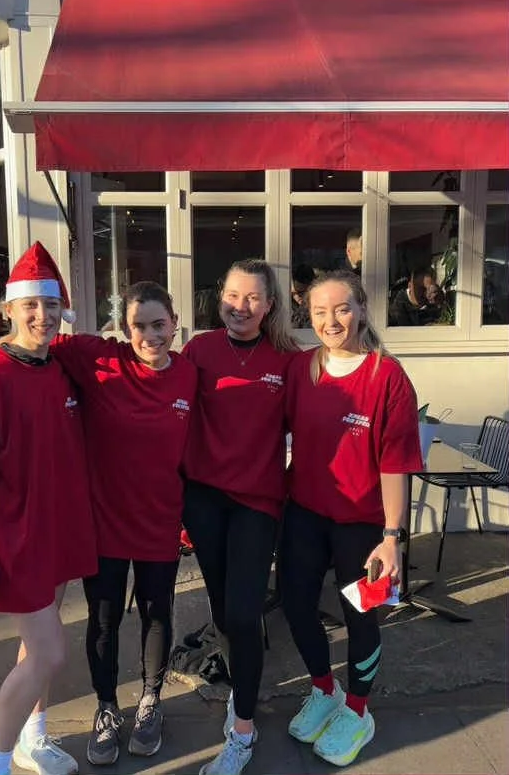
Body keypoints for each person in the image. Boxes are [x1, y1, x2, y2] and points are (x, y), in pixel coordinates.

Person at [0, 278, 198, 767]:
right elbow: (28, 339)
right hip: (96, 521)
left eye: (159, 324)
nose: (150, 335)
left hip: (145, 521)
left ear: (175, 323)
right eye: (138, 326)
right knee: (96, 625)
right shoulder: (97, 357)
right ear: (122, 329)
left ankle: (143, 704)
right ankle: (104, 708)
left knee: (155, 615)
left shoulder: (190, 372)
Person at [0, 242, 97, 775]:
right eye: (31, 306)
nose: (43, 316)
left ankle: (31, 737)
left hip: (58, 529)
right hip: (13, 538)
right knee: (50, 652)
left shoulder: (62, 364)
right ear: (10, 309)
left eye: (52, 305)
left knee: (40, 641)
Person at [282, 269, 422, 767]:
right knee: (295, 604)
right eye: (320, 311)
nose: (331, 320)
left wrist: (392, 539)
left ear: (362, 308)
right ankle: (325, 689)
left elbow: (396, 462)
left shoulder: (388, 377)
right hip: (304, 514)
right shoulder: (302, 369)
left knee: (361, 615)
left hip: (364, 526)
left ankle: (359, 711)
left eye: (342, 308)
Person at [182, 258, 299, 775]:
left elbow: (324, 409)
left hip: (257, 502)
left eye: (252, 298)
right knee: (224, 610)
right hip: (204, 500)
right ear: (219, 296)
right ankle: (239, 689)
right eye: (233, 295)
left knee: (246, 613)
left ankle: (243, 730)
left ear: (270, 305)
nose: (240, 306)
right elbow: (146, 382)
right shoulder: (199, 350)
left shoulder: (287, 359)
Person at [291, 263, 316, 328]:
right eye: (296, 292)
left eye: (304, 292)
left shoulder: (316, 304)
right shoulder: (285, 302)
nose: (299, 297)